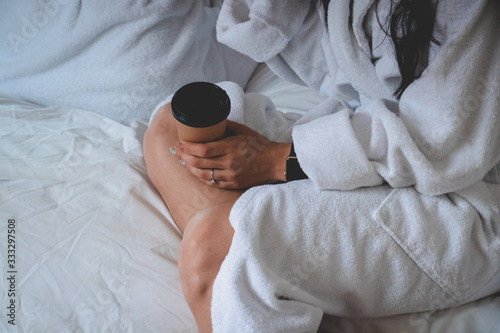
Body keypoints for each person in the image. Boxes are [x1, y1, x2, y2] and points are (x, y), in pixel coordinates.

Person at [143, 0, 500, 332]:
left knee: (209, 246)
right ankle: (258, 262)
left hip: (460, 193)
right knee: (173, 129)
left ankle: (236, 250)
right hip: (374, 136)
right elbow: (328, 65)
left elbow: (441, 139)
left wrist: (275, 159)